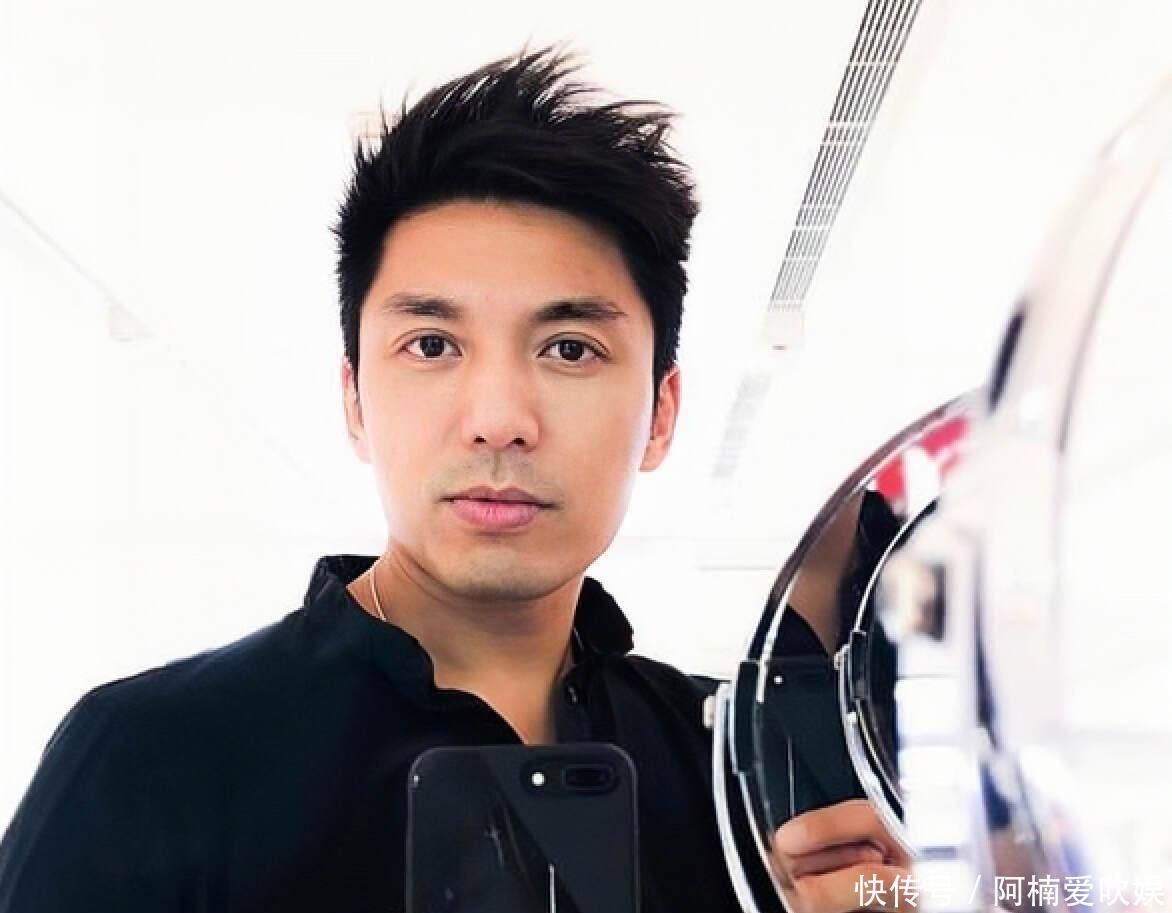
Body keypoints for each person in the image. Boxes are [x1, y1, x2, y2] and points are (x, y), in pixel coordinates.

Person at [0, 43, 910, 913]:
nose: (499, 418)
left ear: (661, 412)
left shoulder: (740, 776)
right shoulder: (151, 759)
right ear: (356, 400)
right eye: (432, 345)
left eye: (570, 348)